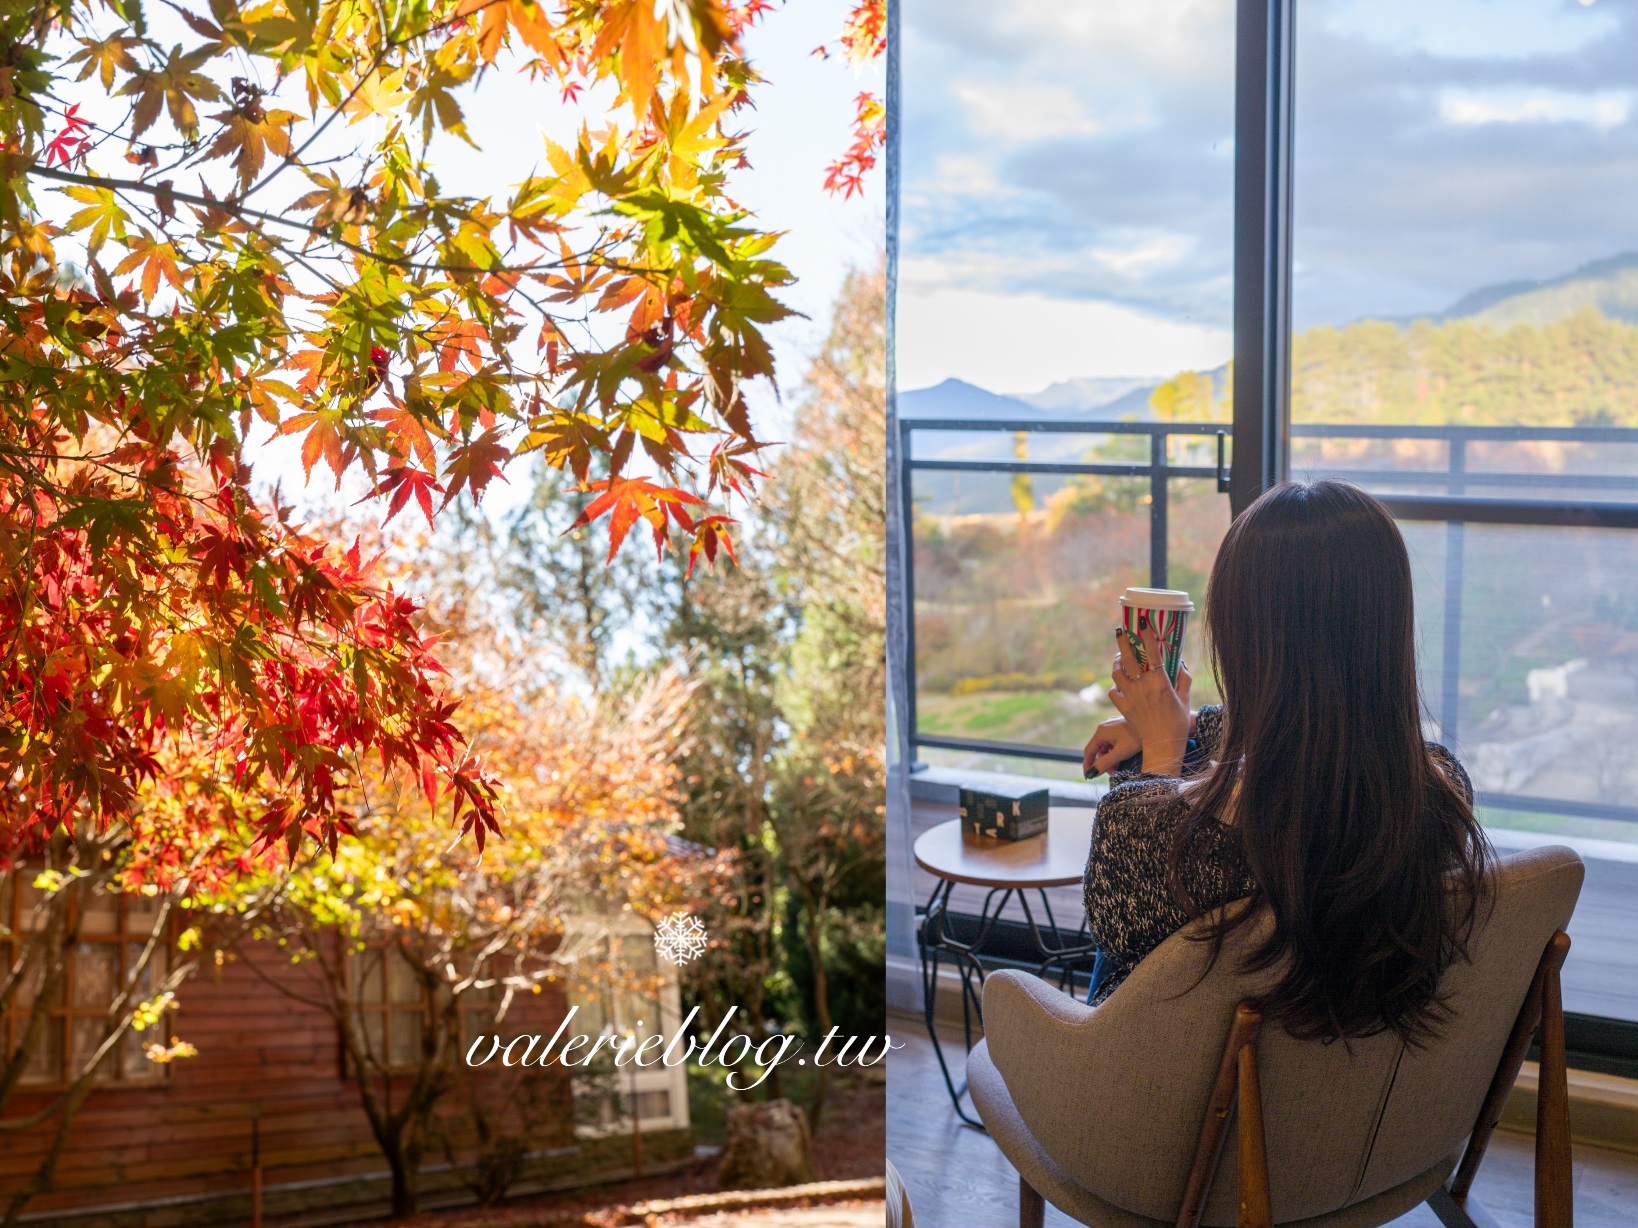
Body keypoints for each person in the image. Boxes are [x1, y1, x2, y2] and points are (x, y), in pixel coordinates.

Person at [1079, 480, 1492, 1042]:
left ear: (1239, 637)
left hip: (1177, 1117)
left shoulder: (1148, 840)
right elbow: (1313, 731)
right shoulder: (1443, 790)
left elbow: (1121, 930)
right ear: (1387, 627)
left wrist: (1163, 754)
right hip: (1361, 1104)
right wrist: (1187, 724)